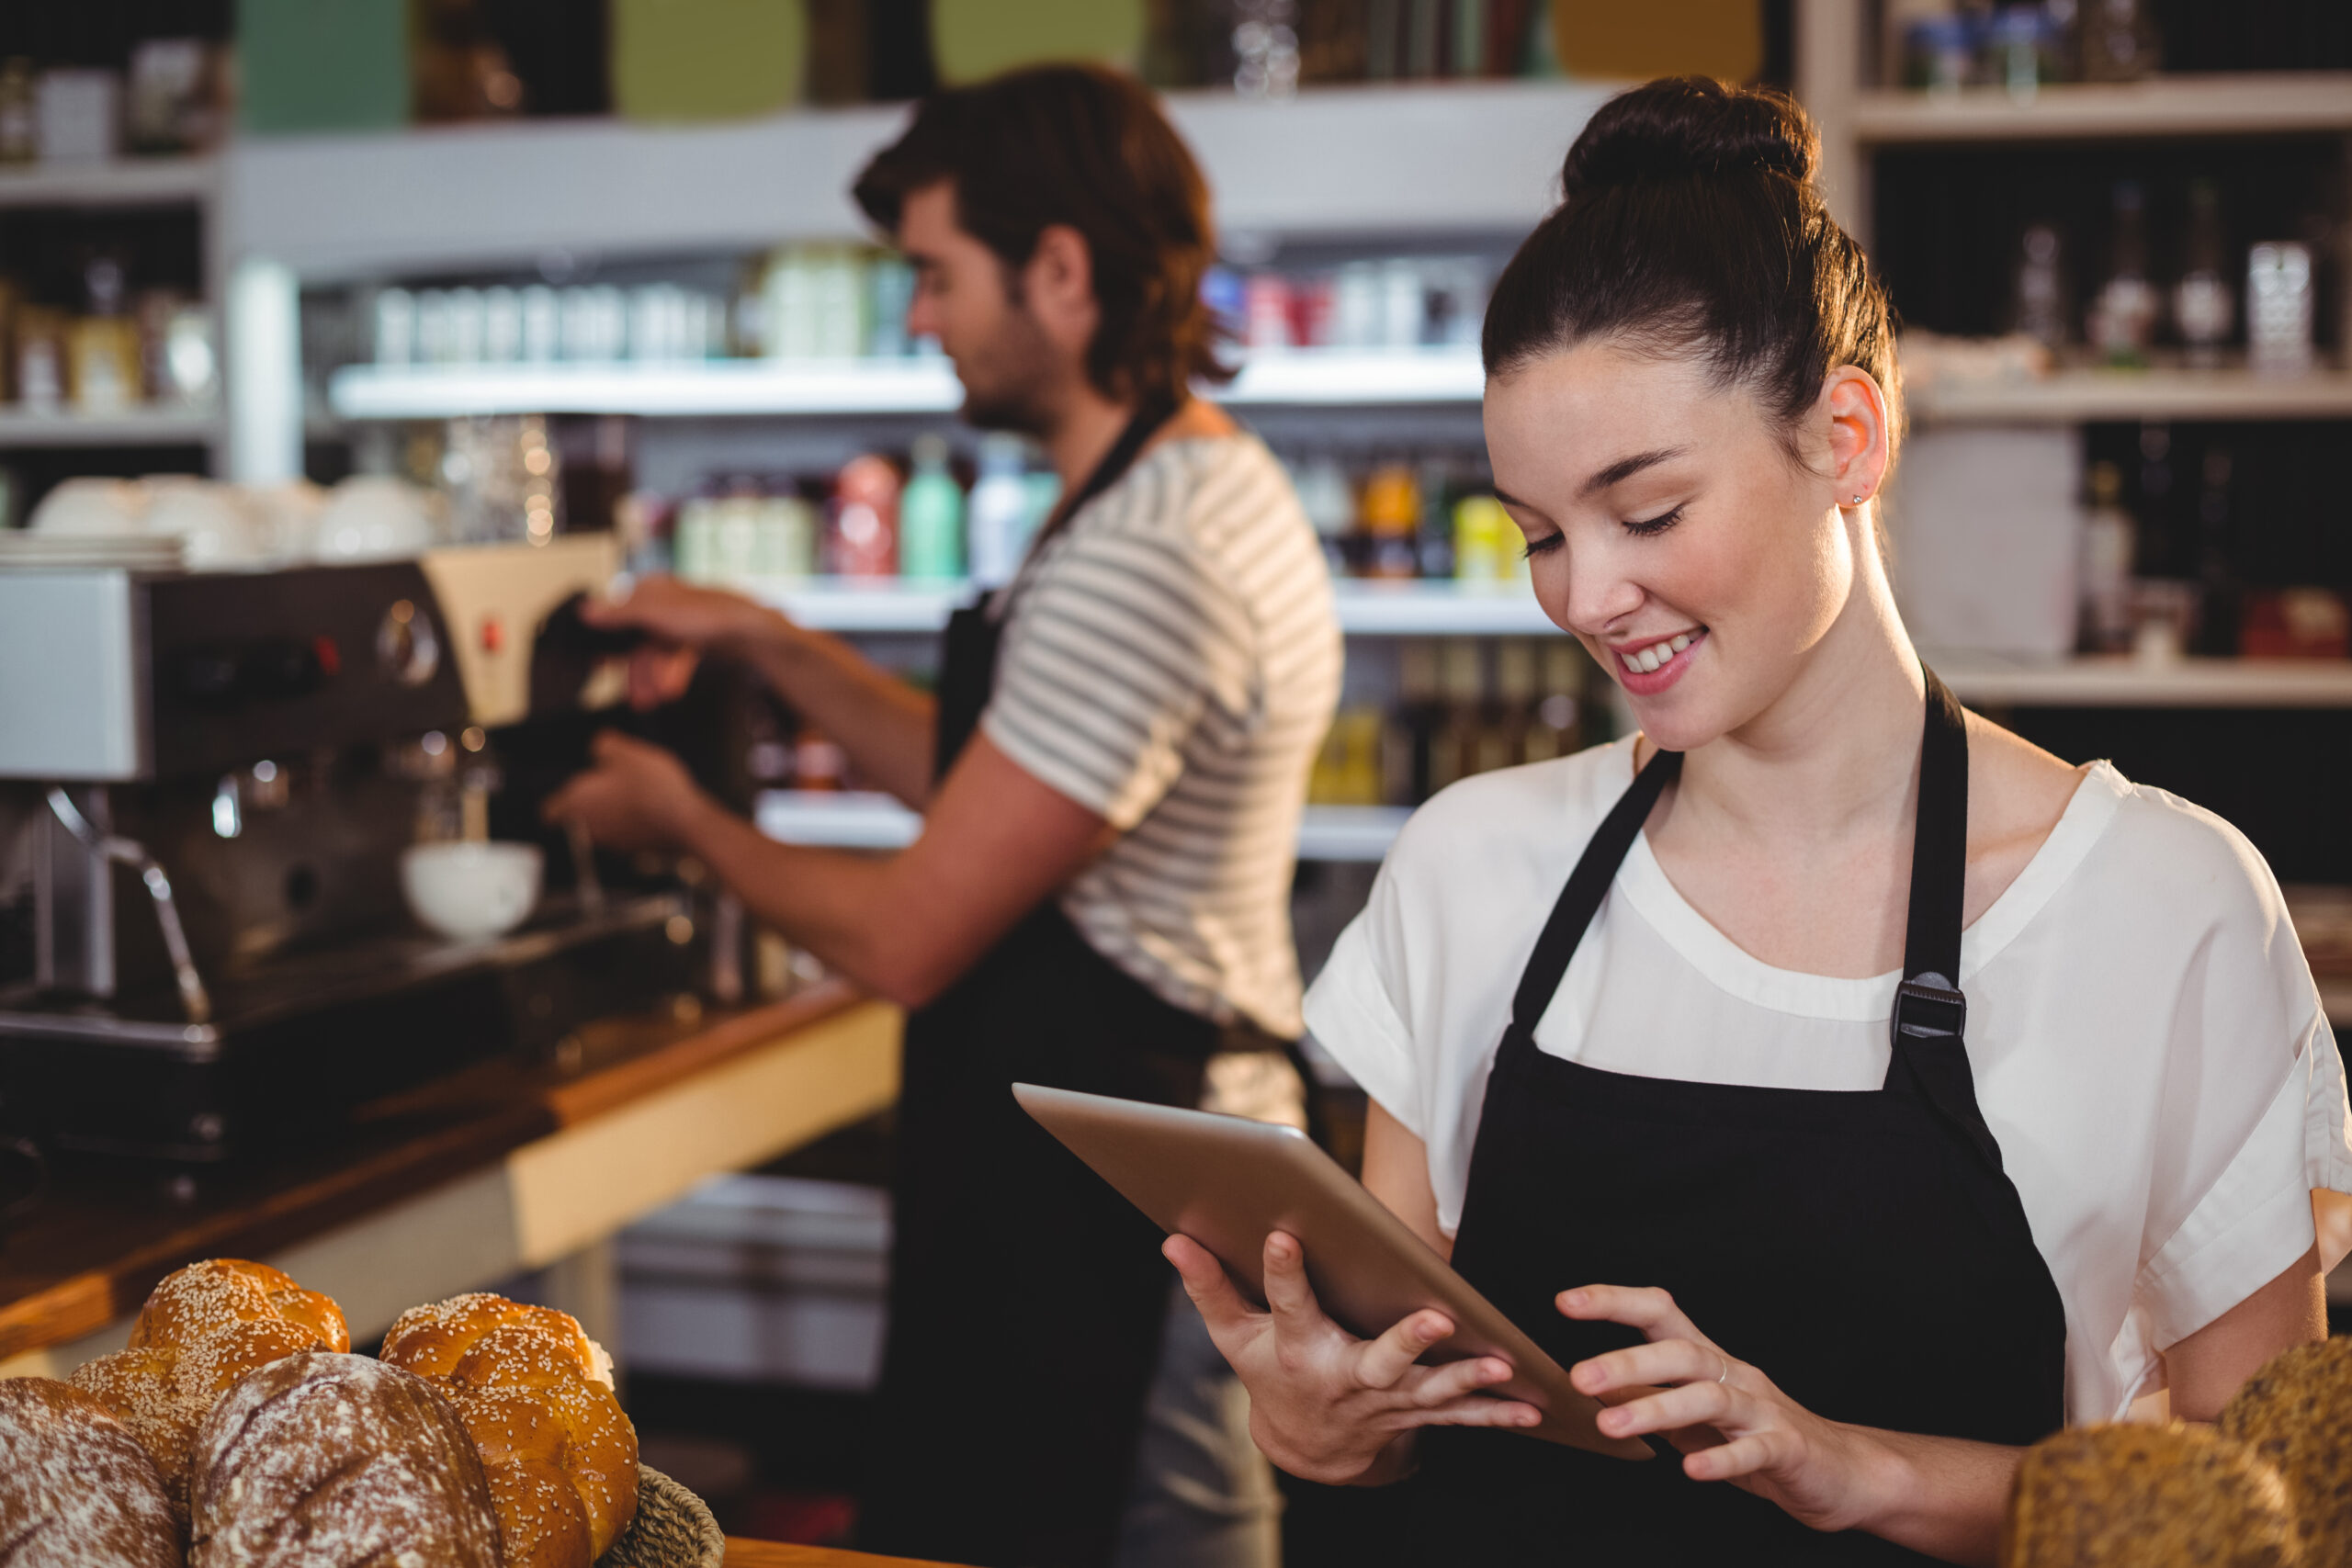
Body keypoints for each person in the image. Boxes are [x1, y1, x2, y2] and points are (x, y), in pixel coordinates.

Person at [1165, 76, 2352, 1565]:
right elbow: (1396, 1431)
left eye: (1646, 512)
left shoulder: (2165, 908)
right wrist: (1319, 1426)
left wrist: (1855, 1468)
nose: (1587, 597)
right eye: (1540, 534)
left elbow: (2269, 1518)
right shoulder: (1476, 868)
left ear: (1847, 437)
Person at [546, 65, 1340, 1568]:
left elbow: (913, 936)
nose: (918, 318)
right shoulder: (1158, 490)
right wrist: (770, 643)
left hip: (1136, 1194)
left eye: (933, 276)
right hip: (1107, 1157)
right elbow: (1000, 776)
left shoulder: (1149, 553)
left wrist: (681, 819)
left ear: (1060, 269)